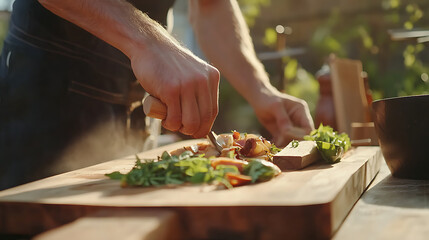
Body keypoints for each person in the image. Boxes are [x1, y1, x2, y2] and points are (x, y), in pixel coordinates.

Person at [0, 0, 314, 190]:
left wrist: (261, 92)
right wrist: (149, 42)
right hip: (49, 88)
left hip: (138, 99)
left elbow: (212, 5)